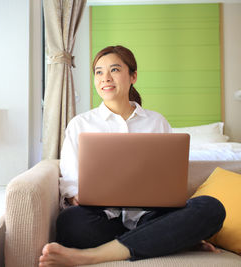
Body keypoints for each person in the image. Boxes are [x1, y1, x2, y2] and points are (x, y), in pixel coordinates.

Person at [39, 45, 225, 267]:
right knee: (71, 222)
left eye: (114, 70)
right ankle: (165, 240)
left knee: (211, 208)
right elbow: (70, 180)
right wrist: (75, 196)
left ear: (133, 76)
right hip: (103, 218)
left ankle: (93, 255)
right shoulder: (81, 124)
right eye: (98, 72)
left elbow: (169, 177)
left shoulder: (157, 122)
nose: (105, 78)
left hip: (150, 216)